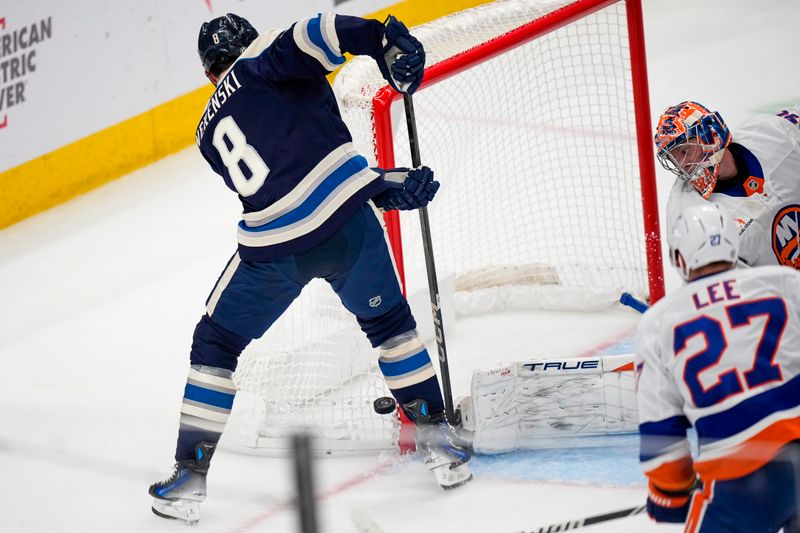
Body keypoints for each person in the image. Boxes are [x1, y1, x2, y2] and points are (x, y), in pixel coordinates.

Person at [148, 12, 472, 524]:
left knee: (216, 345)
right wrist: (383, 41)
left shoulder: (206, 131)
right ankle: (442, 446)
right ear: (250, 42)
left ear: (210, 75)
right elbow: (319, 32)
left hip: (273, 252)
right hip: (348, 230)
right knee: (389, 327)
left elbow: (286, 177)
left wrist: (379, 182)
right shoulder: (265, 58)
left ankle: (189, 477)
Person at [635, 202, 800, 532]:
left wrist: (670, 495)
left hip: (739, 478)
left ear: (679, 258)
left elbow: (661, 436)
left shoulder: (658, 322)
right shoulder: (785, 282)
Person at [655, 100, 800, 270]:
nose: (682, 165)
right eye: (674, 158)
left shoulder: (771, 132)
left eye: (685, 151)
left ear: (711, 134)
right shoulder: (691, 212)